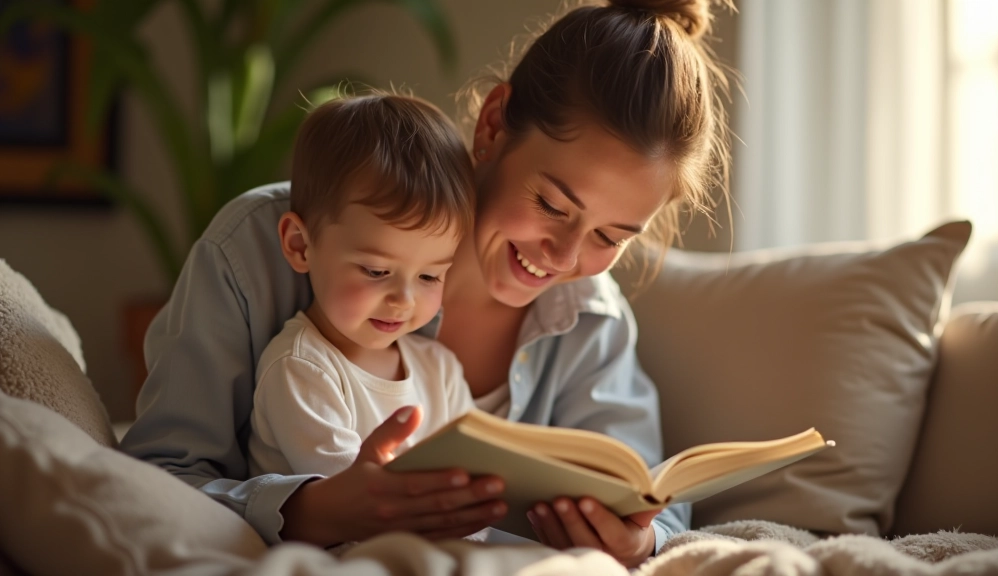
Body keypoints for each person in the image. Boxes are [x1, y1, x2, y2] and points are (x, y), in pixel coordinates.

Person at [121, 0, 732, 568]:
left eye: (610, 237)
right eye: (551, 203)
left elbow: (661, 509)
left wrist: (641, 537)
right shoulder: (255, 249)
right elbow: (160, 476)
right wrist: (316, 509)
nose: (566, 255)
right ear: (493, 126)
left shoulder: (590, 321)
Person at [246, 93, 476, 490]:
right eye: (376, 271)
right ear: (300, 245)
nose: (404, 299)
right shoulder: (301, 369)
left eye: (429, 277)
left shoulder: (440, 370)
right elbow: (354, 503)